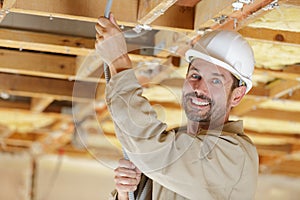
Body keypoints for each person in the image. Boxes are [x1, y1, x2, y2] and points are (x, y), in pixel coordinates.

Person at [95, 13, 259, 200]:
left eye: (215, 81)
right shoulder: (178, 149)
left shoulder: (234, 157)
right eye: (195, 76)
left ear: (237, 95)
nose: (199, 88)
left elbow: (149, 146)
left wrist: (118, 60)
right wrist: (126, 194)